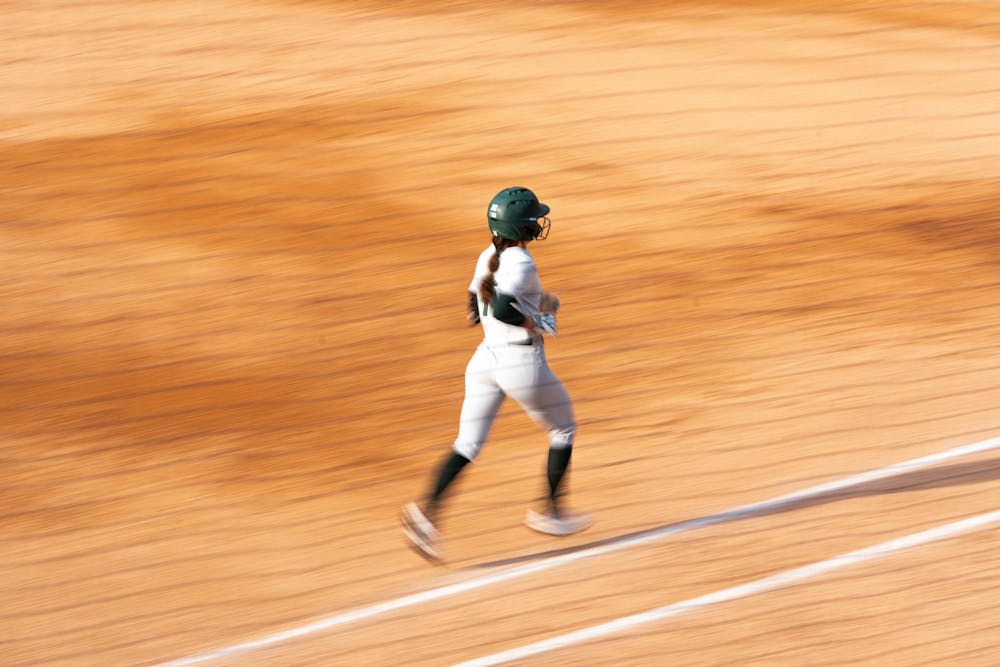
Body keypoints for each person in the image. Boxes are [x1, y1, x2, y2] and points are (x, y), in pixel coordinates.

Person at [401, 186, 591, 561]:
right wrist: (536, 319)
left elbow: (476, 309)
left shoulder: (489, 255)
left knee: (467, 445)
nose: (539, 222)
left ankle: (425, 516)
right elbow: (503, 309)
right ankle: (550, 513)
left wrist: (531, 309)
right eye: (535, 218)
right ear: (522, 228)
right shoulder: (520, 262)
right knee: (563, 428)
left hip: (484, 361)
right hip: (520, 364)